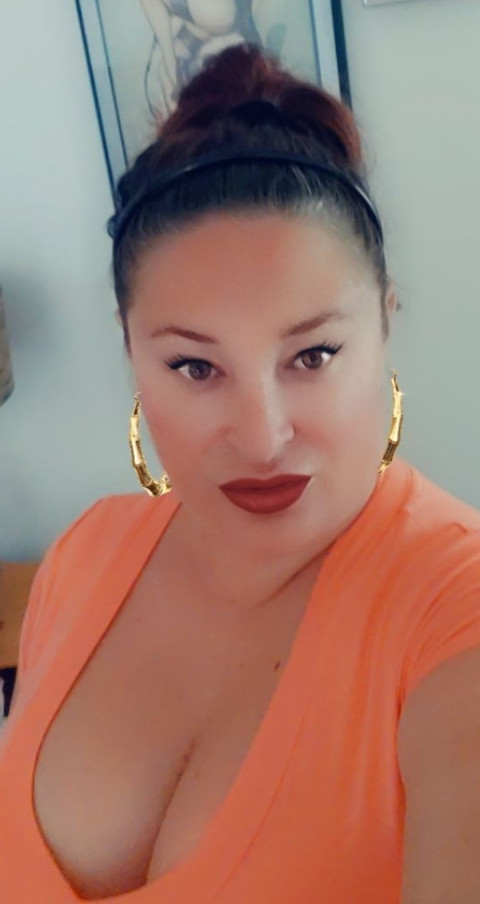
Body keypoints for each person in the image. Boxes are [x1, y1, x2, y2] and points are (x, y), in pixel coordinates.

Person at [1, 42, 480, 904]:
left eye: (313, 355)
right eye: (194, 366)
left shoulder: (454, 610)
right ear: (130, 350)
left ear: (384, 323)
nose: (262, 438)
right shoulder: (82, 556)